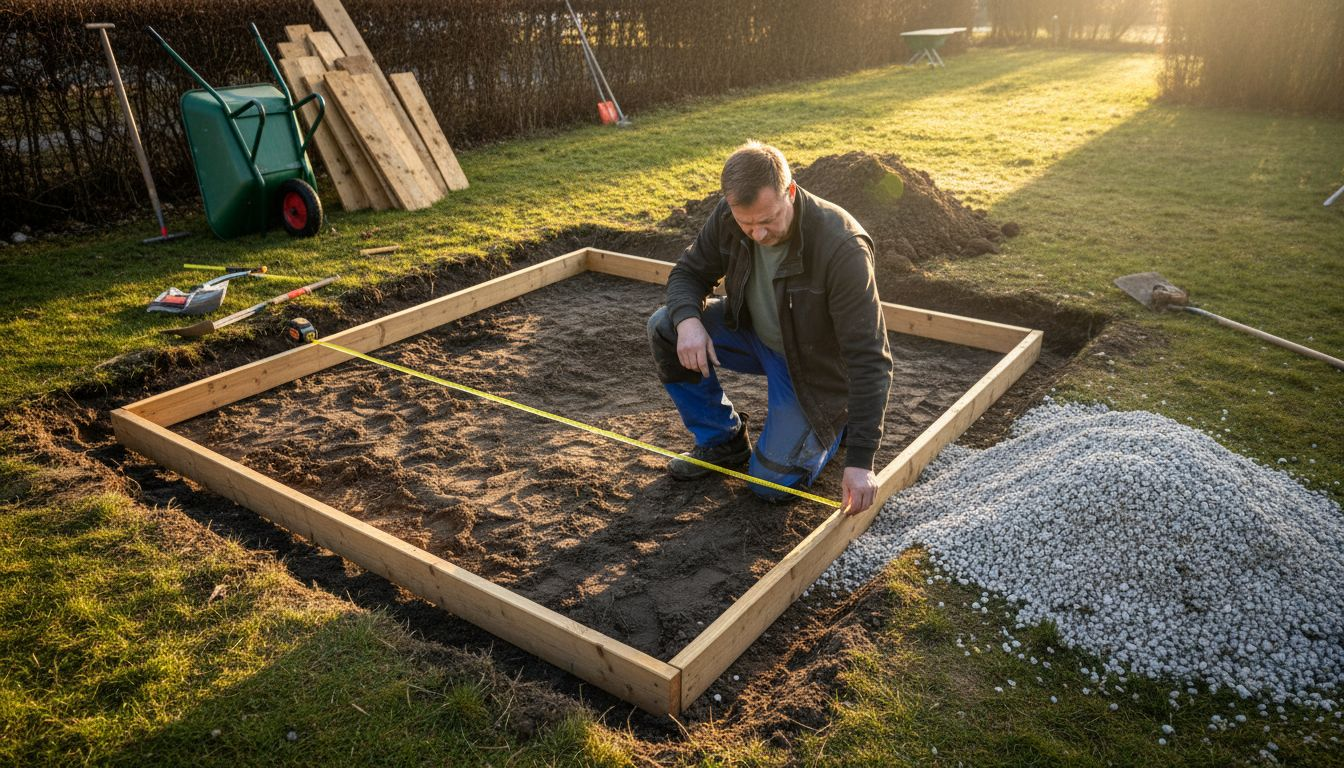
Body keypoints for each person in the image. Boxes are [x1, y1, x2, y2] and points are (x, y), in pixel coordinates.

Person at [647, 141, 893, 516]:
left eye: (767, 221)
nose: (757, 234)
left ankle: (834, 422)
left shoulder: (842, 247)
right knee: (666, 325)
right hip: (753, 336)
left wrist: (861, 461)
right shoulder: (730, 216)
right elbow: (688, 273)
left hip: (814, 368)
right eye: (747, 224)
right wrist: (689, 321)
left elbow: (870, 358)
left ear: (790, 191)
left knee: (770, 485)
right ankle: (721, 440)